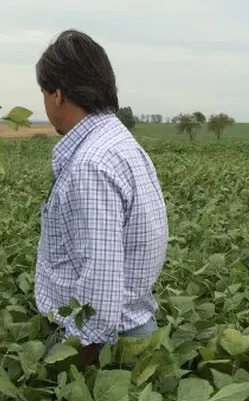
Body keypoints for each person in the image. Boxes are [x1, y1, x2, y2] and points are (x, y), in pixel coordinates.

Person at [34, 30, 168, 368]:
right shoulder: (118, 142)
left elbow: (101, 282)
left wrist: (81, 362)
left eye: (44, 93)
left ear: (58, 95)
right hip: (128, 332)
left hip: (104, 351)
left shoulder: (91, 163)